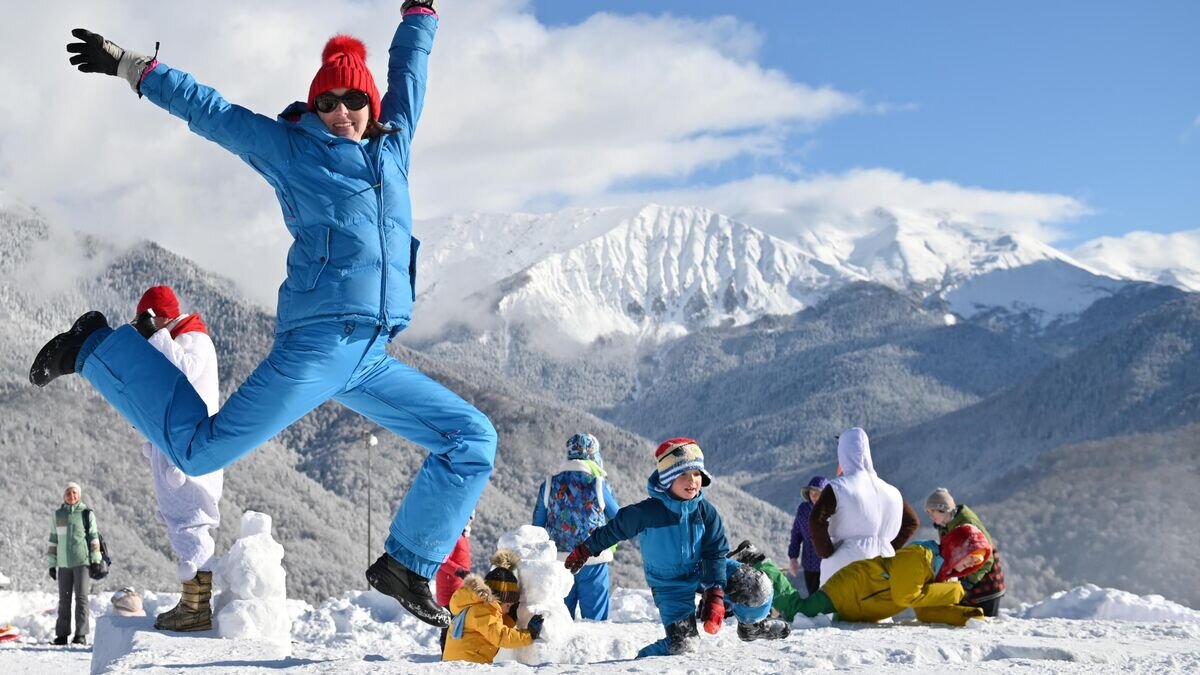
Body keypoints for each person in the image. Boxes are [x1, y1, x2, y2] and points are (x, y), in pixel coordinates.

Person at [33, 0, 492, 627]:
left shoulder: (394, 150)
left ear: (370, 105)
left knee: (472, 439)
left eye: (352, 100)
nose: (340, 113)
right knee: (196, 453)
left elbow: (410, 71)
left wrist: (421, 12)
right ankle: (95, 347)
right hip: (319, 346)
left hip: (370, 355)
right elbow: (213, 113)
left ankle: (408, 564)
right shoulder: (293, 150)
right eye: (326, 101)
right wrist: (133, 68)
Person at [564, 438, 728, 658]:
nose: (692, 481)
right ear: (667, 480)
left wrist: (715, 591)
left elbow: (716, 551)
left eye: (697, 473)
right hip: (670, 585)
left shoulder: (705, 511)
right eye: (682, 474)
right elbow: (615, 528)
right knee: (683, 644)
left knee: (754, 586)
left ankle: (753, 626)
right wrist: (586, 549)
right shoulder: (647, 513)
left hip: (702, 569)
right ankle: (640, 665)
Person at [129, 286, 223, 632]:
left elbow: (182, 372)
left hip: (189, 451)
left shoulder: (194, 339)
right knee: (182, 522)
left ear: (160, 317)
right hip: (179, 448)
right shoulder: (179, 337)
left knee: (192, 522)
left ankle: (196, 609)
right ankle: (191, 602)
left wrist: (155, 337)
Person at [750, 524, 992, 626]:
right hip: (849, 590)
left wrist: (967, 616)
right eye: (969, 557)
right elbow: (906, 596)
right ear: (956, 549)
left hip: (858, 600)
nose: (969, 565)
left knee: (807, 618)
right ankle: (761, 564)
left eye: (975, 562)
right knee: (798, 612)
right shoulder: (920, 557)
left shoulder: (939, 572)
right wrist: (956, 591)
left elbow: (925, 609)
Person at [809, 428, 919, 585]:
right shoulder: (891, 492)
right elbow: (912, 522)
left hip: (845, 565)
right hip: (884, 565)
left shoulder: (839, 487)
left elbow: (816, 519)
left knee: (837, 608)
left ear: (843, 453)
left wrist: (825, 551)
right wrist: (887, 545)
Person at [532, 433, 619, 620]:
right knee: (595, 622)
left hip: (559, 561)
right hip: (593, 558)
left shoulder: (549, 484)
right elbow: (619, 517)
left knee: (559, 619)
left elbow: (537, 527)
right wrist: (610, 543)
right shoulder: (598, 483)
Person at [443, 550, 544, 664]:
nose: (509, 609)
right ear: (497, 600)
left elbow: (493, 626)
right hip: (467, 665)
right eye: (508, 605)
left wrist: (510, 618)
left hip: (461, 661)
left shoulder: (479, 606)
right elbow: (500, 636)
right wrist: (529, 635)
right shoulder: (483, 612)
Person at [926, 488, 1006, 617]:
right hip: (970, 582)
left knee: (982, 627)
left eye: (932, 512)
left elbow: (987, 557)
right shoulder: (947, 523)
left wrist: (968, 583)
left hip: (985, 585)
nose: (930, 516)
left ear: (943, 509)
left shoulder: (967, 525)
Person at [47, 482, 103, 645]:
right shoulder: (58, 515)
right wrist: (52, 564)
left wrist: (96, 560)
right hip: (63, 564)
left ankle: (81, 634)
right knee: (64, 600)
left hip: (82, 562)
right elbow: (53, 540)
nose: (72, 496)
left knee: (81, 598)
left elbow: (93, 538)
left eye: (74, 493)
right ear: (64, 496)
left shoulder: (86, 514)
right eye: (68, 493)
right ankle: (62, 635)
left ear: (79, 495)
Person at [436, 512, 473, 651]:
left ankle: (452, 651)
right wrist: (459, 571)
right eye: (468, 517)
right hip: (449, 588)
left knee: (456, 623)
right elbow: (442, 559)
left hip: (458, 588)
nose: (470, 521)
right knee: (449, 623)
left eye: (471, 518)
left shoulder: (461, 535)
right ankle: (446, 652)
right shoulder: (453, 536)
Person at [787, 475, 828, 595]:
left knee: (826, 600)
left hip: (828, 565)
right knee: (813, 596)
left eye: (818, 493)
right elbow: (796, 533)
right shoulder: (803, 510)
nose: (814, 496)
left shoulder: (832, 511)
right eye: (812, 493)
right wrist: (793, 557)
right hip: (809, 565)